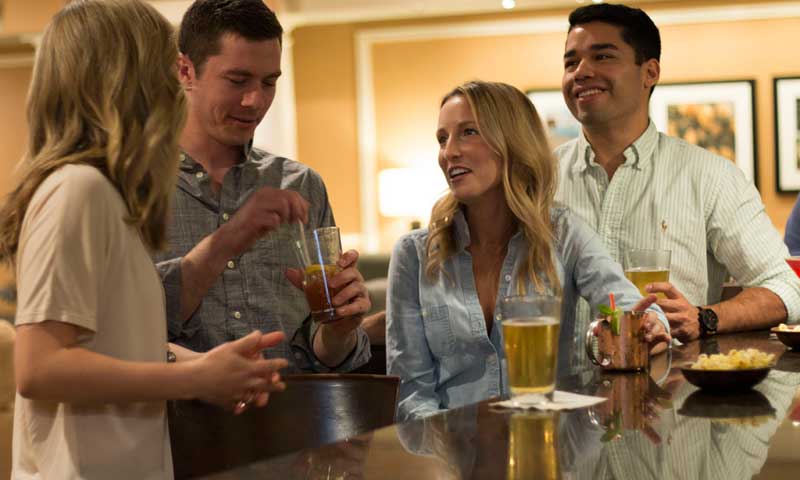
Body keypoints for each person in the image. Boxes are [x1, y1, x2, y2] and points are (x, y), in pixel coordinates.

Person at [0, 1, 287, 478]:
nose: (176, 87)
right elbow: (39, 369)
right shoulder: (79, 188)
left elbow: (109, 344)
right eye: (164, 69)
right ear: (128, 81)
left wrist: (205, 365)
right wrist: (191, 377)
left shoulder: (105, 194)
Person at [386, 80, 670, 422]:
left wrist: (650, 327)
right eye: (442, 139)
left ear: (512, 142)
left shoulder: (563, 232)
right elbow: (412, 396)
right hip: (456, 459)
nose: (449, 152)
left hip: (551, 448)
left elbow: (627, 307)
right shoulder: (414, 254)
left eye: (469, 132)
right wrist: (448, 458)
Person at [555, 3, 800, 343]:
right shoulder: (534, 181)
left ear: (650, 72)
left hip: (671, 392)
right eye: (571, 62)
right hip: (555, 394)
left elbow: (788, 285)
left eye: (603, 57)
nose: (580, 71)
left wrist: (706, 318)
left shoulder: (710, 177)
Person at [154, 0, 373, 372]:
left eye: (269, 82)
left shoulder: (303, 185)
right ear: (185, 71)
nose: (255, 101)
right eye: (237, 80)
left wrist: (340, 330)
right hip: (177, 425)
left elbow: (324, 353)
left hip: (295, 421)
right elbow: (119, 334)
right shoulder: (133, 189)